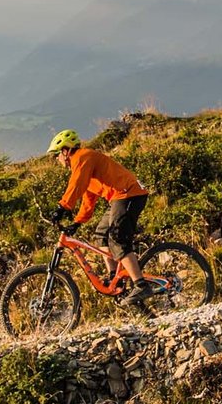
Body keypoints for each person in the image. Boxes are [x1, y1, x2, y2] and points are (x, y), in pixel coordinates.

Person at [45, 129, 154, 301]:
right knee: (101, 235)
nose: (56, 159)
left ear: (65, 151)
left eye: (56, 155)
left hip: (129, 194)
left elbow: (76, 185)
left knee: (118, 239)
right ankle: (115, 278)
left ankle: (141, 285)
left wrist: (62, 207)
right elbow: (88, 199)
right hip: (119, 197)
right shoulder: (83, 164)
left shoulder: (82, 157)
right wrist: (78, 222)